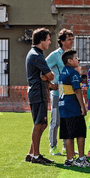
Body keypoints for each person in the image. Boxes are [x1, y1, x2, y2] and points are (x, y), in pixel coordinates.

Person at [25, 28, 55, 165]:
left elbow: (46, 77)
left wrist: (46, 80)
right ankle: (36, 156)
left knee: (42, 123)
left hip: (39, 92)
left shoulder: (36, 54)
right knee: (39, 124)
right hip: (38, 93)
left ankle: (31, 153)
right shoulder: (36, 55)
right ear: (41, 40)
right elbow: (50, 75)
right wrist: (47, 78)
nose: (49, 42)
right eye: (48, 39)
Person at [58, 50, 90, 167]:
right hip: (73, 107)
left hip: (63, 108)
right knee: (80, 133)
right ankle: (81, 158)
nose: (78, 60)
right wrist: (83, 107)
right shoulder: (73, 73)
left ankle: (70, 159)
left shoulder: (62, 72)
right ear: (70, 61)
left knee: (68, 134)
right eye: (76, 58)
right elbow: (77, 90)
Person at [45, 28, 74, 156]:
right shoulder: (55, 55)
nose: (72, 41)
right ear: (62, 41)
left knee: (67, 120)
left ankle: (65, 146)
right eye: (69, 39)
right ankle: (53, 146)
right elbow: (43, 68)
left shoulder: (72, 55)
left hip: (70, 93)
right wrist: (50, 84)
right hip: (57, 94)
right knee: (56, 120)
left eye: (72, 39)